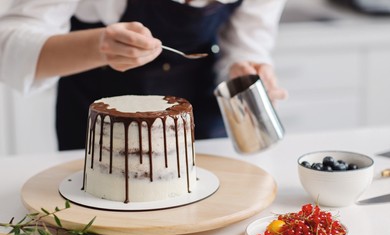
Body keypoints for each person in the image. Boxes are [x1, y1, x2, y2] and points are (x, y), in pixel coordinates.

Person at [0, 0, 288, 151]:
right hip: (101, 131)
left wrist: (243, 69)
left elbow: (244, 45)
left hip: (201, 132)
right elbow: (8, 47)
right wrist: (99, 47)